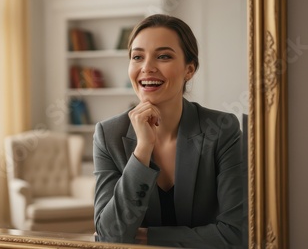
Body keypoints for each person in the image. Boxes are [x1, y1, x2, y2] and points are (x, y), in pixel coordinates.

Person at [93, 14, 245, 248]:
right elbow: (109, 236)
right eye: (137, 57)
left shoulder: (223, 129)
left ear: (189, 70)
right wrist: (142, 150)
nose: (147, 68)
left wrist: (150, 238)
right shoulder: (108, 134)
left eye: (163, 56)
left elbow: (236, 235)